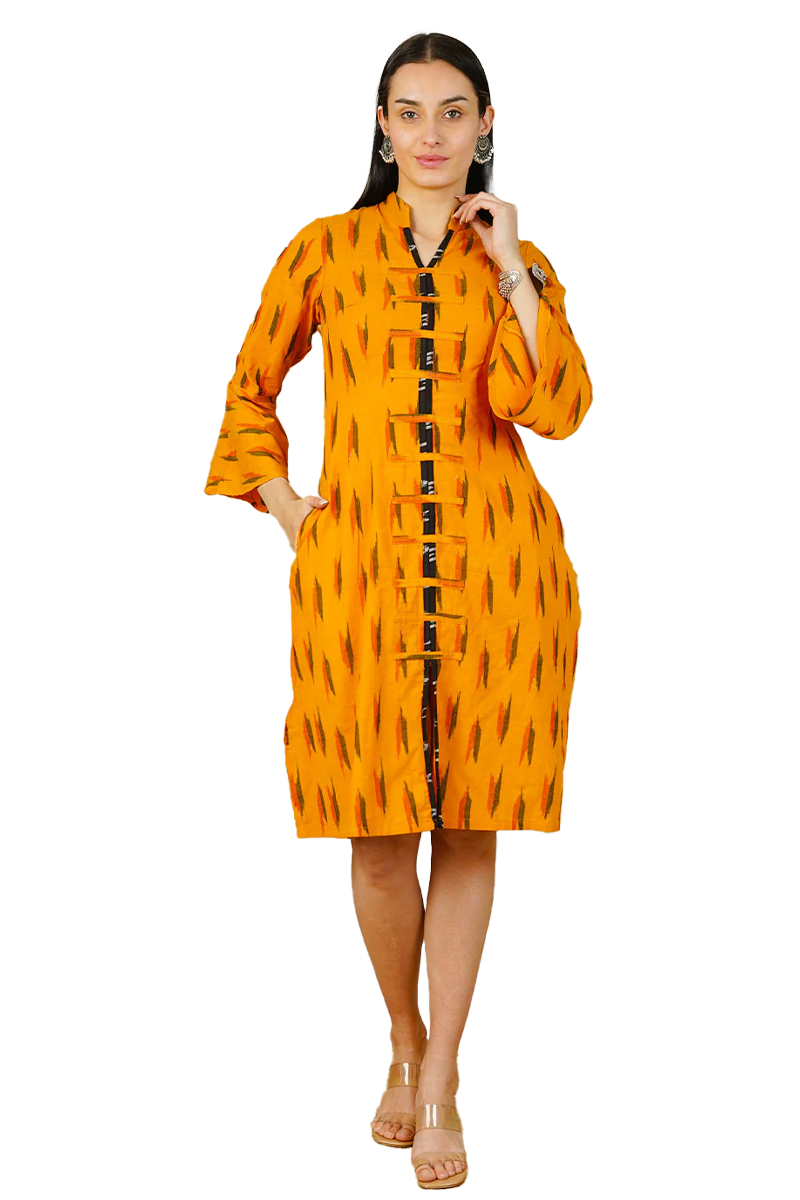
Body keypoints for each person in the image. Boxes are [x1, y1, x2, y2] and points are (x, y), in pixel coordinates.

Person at [205, 30, 592, 1191]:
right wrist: (285, 506)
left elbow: (552, 406)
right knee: (376, 839)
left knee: (467, 824)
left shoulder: (517, 263)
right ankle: (403, 1040)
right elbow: (248, 391)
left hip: (500, 576)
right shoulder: (323, 249)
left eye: (452, 111)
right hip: (361, 574)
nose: (430, 134)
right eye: (409, 112)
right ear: (380, 126)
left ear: (484, 125)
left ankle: (440, 1085)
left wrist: (511, 263)